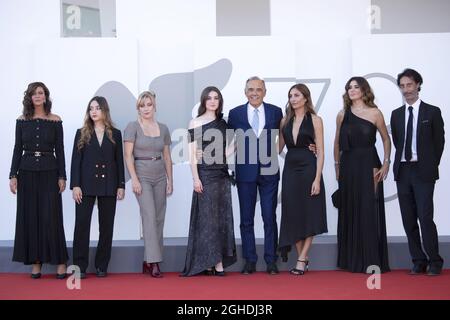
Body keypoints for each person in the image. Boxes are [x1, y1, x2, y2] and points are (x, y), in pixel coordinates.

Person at [9, 82, 68, 279]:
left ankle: (60, 261)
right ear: (29, 97)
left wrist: (62, 176)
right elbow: (18, 148)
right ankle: (36, 262)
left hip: (50, 172)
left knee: (51, 216)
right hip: (26, 172)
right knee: (31, 217)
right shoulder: (21, 120)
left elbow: (60, 150)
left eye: (40, 93)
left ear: (46, 96)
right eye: (34, 93)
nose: (37, 96)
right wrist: (13, 175)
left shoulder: (55, 120)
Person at [333, 76, 391, 273]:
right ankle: (352, 261)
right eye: (349, 87)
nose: (352, 90)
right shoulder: (342, 114)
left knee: (368, 211)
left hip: (369, 165)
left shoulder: (375, 113)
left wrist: (386, 163)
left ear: (364, 90)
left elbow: (385, 139)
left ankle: (371, 261)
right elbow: (337, 143)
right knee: (350, 209)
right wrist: (337, 166)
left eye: (356, 87)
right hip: (348, 166)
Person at [390, 68, 445, 276]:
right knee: (408, 218)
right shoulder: (396, 115)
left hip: (423, 172)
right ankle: (418, 260)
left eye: (410, 85)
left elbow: (439, 143)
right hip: (403, 171)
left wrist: (429, 165)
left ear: (418, 85)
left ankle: (434, 261)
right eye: (402, 86)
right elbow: (398, 142)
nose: (406, 90)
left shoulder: (432, 112)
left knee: (425, 216)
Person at [228, 76, 283, 275]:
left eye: (258, 89)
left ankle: (271, 261)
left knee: (269, 216)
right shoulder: (235, 114)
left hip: (270, 171)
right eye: (250, 89)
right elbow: (226, 140)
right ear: (245, 92)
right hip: (245, 172)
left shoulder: (276, 112)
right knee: (246, 218)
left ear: (265, 91)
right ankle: (249, 260)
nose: (254, 93)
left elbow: (286, 134)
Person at [181, 86, 237, 276]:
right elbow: (191, 154)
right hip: (204, 174)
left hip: (220, 175)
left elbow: (227, 151)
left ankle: (215, 262)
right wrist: (195, 178)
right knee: (206, 220)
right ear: (204, 100)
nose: (213, 101)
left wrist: (232, 146)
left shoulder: (224, 123)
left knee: (220, 218)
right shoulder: (195, 122)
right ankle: (211, 261)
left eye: (216, 98)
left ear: (219, 101)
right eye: (209, 98)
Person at [70, 96, 125, 279]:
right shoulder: (81, 132)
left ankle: (102, 265)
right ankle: (79, 266)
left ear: (104, 111)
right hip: (85, 185)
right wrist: (75, 185)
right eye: (91, 108)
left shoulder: (115, 133)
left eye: (97, 108)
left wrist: (121, 185)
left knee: (106, 226)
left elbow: (119, 162)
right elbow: (75, 161)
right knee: (81, 226)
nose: (93, 111)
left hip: (109, 185)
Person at [278, 84, 328, 275]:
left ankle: (301, 259)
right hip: (290, 169)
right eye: (290, 95)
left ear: (305, 98)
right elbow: (277, 149)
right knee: (292, 214)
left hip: (309, 169)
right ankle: (303, 258)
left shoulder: (315, 120)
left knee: (310, 212)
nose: (293, 99)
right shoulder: (285, 121)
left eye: (297, 95)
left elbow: (321, 151)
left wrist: (317, 179)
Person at [124, 91, 173, 278]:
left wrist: (170, 180)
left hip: (160, 174)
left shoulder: (164, 128)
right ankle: (154, 262)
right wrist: (134, 179)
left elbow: (167, 156)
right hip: (142, 174)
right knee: (149, 217)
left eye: (149, 104)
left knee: (159, 218)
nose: (146, 108)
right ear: (138, 108)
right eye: (142, 105)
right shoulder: (132, 127)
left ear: (154, 106)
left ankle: (147, 260)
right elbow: (128, 155)